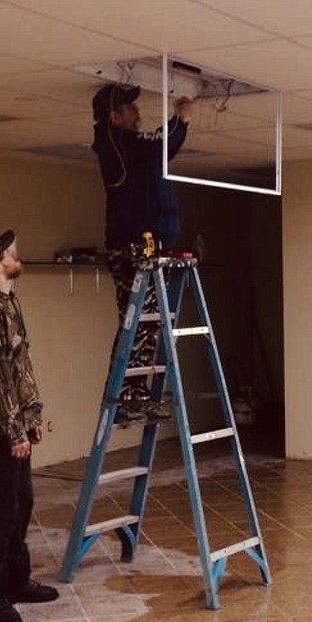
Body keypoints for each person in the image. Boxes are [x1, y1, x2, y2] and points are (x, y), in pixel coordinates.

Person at [0, 229, 59, 622]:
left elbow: (21, 368)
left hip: (16, 425)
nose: (16, 252)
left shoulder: (8, 303)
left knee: (21, 505)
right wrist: (13, 430)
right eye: (8, 250)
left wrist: (31, 417)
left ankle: (17, 581)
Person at [91, 83, 194, 424]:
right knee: (136, 324)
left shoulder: (127, 146)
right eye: (130, 108)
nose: (138, 112)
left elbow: (155, 149)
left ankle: (133, 396)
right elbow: (160, 146)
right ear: (115, 116)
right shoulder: (116, 143)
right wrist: (181, 119)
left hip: (147, 250)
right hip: (131, 251)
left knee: (145, 326)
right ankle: (124, 398)